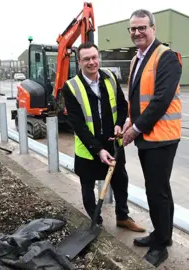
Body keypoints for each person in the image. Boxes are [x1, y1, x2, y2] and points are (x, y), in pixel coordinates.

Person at [62, 42, 146, 233]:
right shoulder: (71, 87)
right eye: (86, 59)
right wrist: (97, 149)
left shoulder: (109, 77)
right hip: (88, 147)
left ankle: (123, 217)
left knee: (120, 181)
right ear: (79, 61)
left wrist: (120, 122)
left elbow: (123, 105)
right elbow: (77, 124)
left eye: (94, 57)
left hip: (113, 143)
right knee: (88, 185)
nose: (92, 62)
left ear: (98, 57)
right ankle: (95, 221)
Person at [122, 9, 182, 267]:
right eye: (133, 29)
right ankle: (162, 234)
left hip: (161, 136)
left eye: (142, 27)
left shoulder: (165, 57)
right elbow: (136, 97)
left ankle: (160, 247)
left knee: (156, 192)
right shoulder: (137, 58)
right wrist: (128, 120)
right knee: (160, 189)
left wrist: (135, 129)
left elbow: (160, 101)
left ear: (153, 28)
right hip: (148, 135)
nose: (137, 33)